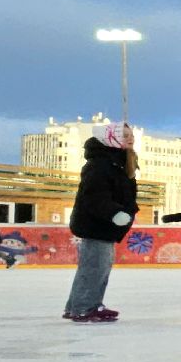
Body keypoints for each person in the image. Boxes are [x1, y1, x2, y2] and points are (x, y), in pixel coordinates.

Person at [63, 123, 137, 323]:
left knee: (95, 267)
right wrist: (115, 213)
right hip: (97, 225)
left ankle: (78, 305)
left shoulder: (116, 162)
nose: (130, 138)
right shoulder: (100, 165)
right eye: (124, 135)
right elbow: (94, 197)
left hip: (104, 226)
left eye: (131, 135)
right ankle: (85, 307)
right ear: (109, 138)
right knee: (95, 268)